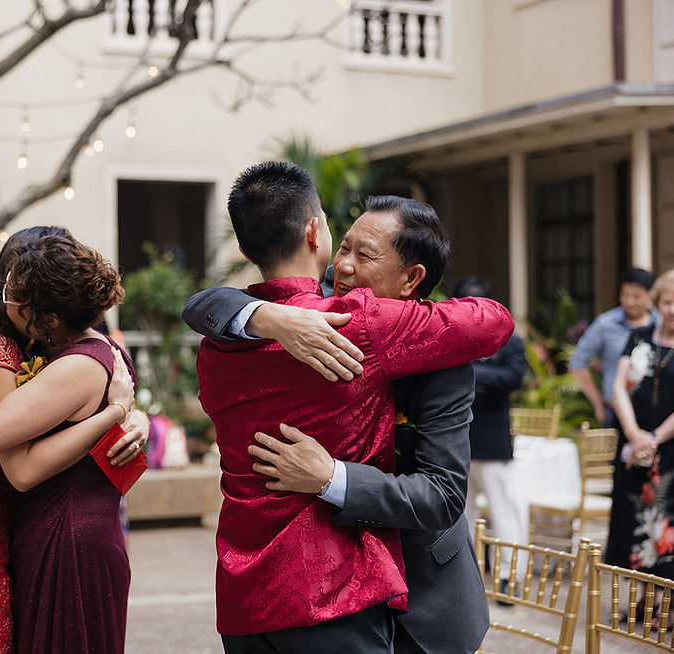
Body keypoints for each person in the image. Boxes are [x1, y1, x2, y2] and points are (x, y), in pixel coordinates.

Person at [192, 162, 513, 652]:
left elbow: (445, 495)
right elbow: (205, 304)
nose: (342, 265)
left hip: (423, 599)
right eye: (343, 246)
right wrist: (266, 315)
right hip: (337, 589)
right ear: (316, 234)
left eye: (363, 254)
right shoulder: (314, 320)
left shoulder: (440, 356)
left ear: (412, 278)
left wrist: (331, 477)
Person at [0, 233, 144, 654]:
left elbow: (4, 458)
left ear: (49, 319)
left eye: (13, 297)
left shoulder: (77, 365)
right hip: (69, 531)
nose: (4, 303)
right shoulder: (91, 348)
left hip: (69, 540)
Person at [451, 276, 527, 597]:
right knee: (459, 514)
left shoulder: (509, 339)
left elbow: (512, 377)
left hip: (492, 438)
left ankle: (510, 577)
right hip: (456, 438)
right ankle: (463, 578)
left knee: (504, 511)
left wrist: (469, 373)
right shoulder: (452, 335)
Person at [606, 269, 674, 588]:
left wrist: (655, 439)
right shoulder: (639, 336)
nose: (672, 309)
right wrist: (635, 435)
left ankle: (665, 605)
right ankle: (633, 600)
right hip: (633, 445)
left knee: (665, 520)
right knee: (628, 516)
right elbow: (619, 388)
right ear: (657, 304)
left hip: (669, 449)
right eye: (667, 302)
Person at [570, 267, 658, 427]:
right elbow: (577, 363)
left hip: (656, 411)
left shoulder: (661, 325)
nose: (629, 301)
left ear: (650, 295)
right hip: (615, 411)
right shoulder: (605, 324)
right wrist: (598, 403)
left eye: (636, 296)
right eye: (624, 295)